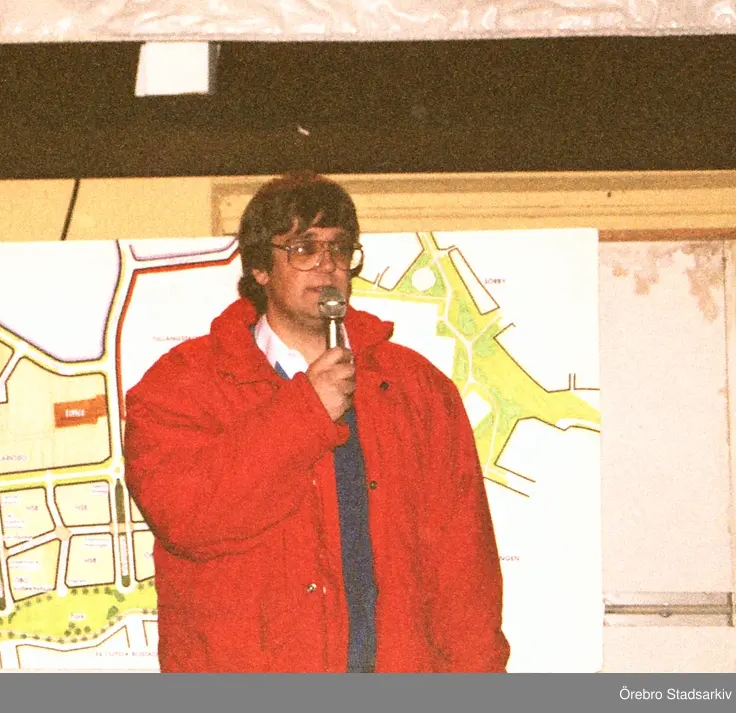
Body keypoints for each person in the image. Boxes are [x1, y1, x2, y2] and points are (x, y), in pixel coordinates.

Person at [123, 172, 510, 673]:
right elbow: (186, 518)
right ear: (260, 267)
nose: (327, 265)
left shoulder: (417, 389)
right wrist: (306, 411)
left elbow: (465, 571)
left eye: (340, 249)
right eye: (304, 248)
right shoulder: (182, 385)